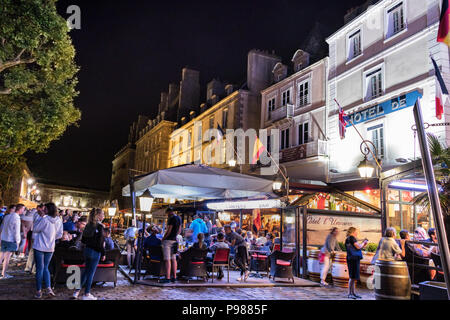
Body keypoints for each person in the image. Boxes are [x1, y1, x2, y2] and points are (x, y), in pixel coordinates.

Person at [72, 208, 106, 300]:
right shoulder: (100, 226)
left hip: (87, 250)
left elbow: (83, 240)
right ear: (98, 216)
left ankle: (76, 291)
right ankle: (86, 294)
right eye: (102, 214)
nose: (104, 216)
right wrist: (103, 253)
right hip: (95, 252)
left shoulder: (88, 225)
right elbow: (100, 242)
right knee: (90, 273)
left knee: (86, 272)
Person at [32, 202, 63, 298]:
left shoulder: (44, 220)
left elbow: (35, 229)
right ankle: (49, 288)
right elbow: (60, 234)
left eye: (45, 209)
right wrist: (52, 238)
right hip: (50, 247)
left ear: (48, 210)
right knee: (46, 268)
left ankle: (39, 291)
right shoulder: (58, 220)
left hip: (39, 246)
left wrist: (40, 218)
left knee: (40, 269)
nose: (43, 210)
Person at [0, 203, 25, 279]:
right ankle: (4, 273)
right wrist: (18, 241)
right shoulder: (16, 218)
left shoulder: (7, 216)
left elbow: (2, 227)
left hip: (4, 238)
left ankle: (3, 273)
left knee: (1, 256)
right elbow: (16, 231)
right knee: (7, 258)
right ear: (20, 209)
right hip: (11, 240)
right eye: (23, 209)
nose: (23, 211)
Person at [345, 227, 368, 299]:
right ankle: (350, 293)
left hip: (351, 258)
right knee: (352, 277)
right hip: (354, 259)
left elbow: (357, 247)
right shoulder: (352, 238)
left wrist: (363, 244)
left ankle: (353, 293)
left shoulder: (348, 239)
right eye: (356, 231)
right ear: (353, 231)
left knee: (353, 276)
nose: (357, 233)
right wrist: (364, 243)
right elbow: (358, 247)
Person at [160, 208, 181, 283]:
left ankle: (168, 277)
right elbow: (179, 230)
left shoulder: (171, 219)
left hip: (168, 241)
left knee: (167, 259)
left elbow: (169, 230)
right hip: (174, 240)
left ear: (169, 212)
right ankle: (174, 277)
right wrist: (175, 236)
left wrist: (163, 238)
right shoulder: (179, 218)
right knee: (174, 259)